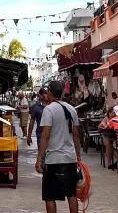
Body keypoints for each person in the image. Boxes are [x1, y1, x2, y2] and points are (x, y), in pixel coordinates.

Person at [36, 80, 81, 213]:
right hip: (70, 158)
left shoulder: (48, 110)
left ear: (49, 92)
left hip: (54, 159)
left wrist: (39, 158)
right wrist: (78, 155)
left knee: (50, 196)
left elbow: (45, 135)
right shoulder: (72, 109)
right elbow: (76, 135)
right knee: (72, 194)